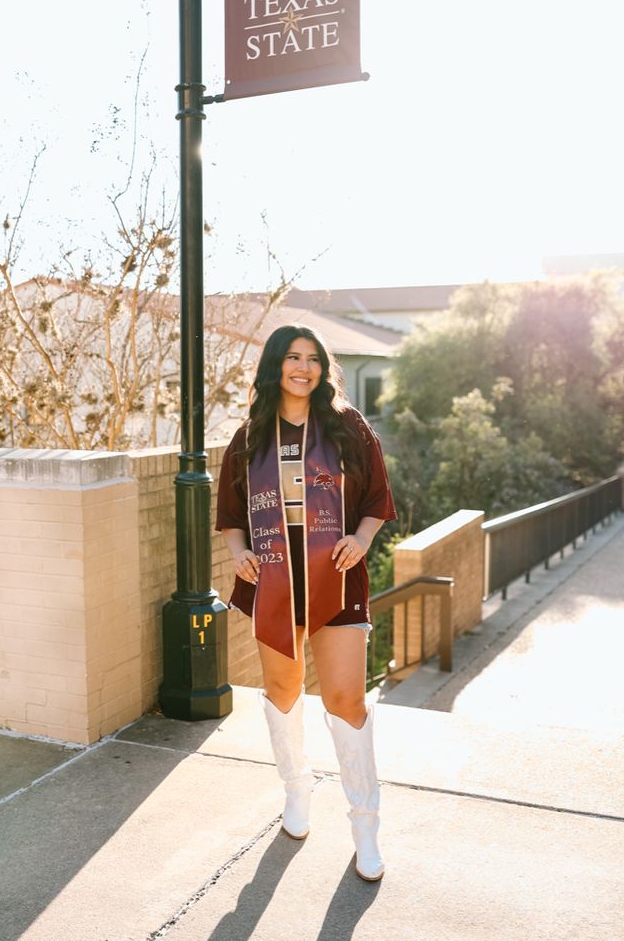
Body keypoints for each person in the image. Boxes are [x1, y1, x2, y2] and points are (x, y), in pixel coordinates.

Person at [216, 325, 397, 882]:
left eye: (313, 359)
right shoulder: (250, 437)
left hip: (335, 574)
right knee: (283, 689)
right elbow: (230, 514)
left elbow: (375, 498)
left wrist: (362, 540)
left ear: (323, 368)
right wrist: (239, 554)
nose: (304, 367)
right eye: (293, 357)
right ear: (276, 366)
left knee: (346, 698)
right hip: (273, 576)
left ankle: (365, 823)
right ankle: (296, 790)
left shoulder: (346, 425)